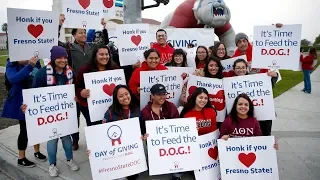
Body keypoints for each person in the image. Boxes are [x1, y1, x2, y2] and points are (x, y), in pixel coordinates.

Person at [58, 14, 108, 150]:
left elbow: (105, 43)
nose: (83, 34)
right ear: (74, 35)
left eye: (84, 32)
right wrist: (59, 25)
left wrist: (104, 27)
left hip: (91, 85)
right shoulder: (68, 47)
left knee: (90, 114)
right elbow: (54, 42)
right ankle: (75, 139)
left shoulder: (92, 46)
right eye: (80, 32)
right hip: (74, 84)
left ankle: (93, 138)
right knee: (74, 115)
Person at [29, 46, 79, 177]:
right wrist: (28, 106)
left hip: (65, 113)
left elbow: (75, 89)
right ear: (53, 59)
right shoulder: (42, 73)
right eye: (59, 58)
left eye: (65, 57)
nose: (63, 60)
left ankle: (69, 159)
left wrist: (75, 97)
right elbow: (34, 94)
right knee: (52, 140)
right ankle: (52, 165)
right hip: (48, 114)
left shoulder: (70, 72)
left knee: (66, 138)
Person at [86, 85, 142, 180]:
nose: (125, 97)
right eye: (121, 96)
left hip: (132, 150)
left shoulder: (136, 110)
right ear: (116, 99)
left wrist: (143, 135)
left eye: (126, 94)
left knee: (133, 175)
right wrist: (93, 149)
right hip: (116, 151)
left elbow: (141, 128)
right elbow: (102, 134)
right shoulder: (110, 113)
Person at [2, 57, 46, 167]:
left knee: (37, 127)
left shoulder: (36, 61)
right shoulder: (12, 64)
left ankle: (37, 151)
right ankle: (21, 158)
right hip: (21, 102)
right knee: (24, 129)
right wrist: (29, 66)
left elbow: (39, 77)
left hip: (35, 100)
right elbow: (13, 78)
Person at [140, 84, 181, 180]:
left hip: (172, 140)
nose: (162, 97)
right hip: (155, 143)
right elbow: (142, 129)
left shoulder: (171, 106)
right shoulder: (145, 112)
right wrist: (144, 135)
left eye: (164, 94)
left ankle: (177, 175)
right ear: (152, 96)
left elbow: (179, 123)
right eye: (159, 94)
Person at [75, 44, 119, 126]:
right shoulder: (84, 70)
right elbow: (76, 87)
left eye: (106, 54)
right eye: (101, 54)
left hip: (111, 107)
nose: (104, 57)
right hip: (90, 108)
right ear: (95, 55)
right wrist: (81, 93)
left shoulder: (114, 68)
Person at [232, 59, 278, 136]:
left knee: (264, 136)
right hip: (242, 118)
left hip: (262, 116)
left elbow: (269, 85)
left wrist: (275, 75)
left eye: (243, 67)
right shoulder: (229, 82)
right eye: (238, 68)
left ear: (246, 68)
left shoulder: (255, 78)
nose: (241, 70)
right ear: (234, 69)